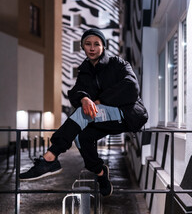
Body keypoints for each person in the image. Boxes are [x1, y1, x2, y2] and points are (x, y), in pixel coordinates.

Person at [19, 28, 148, 197]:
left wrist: (100, 101)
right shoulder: (85, 71)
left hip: (129, 114)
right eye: (88, 44)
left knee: (83, 114)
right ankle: (101, 174)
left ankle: (50, 157)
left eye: (97, 44)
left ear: (103, 46)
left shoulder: (118, 64)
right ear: (83, 46)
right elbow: (76, 91)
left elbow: (132, 88)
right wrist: (84, 99)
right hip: (105, 117)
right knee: (82, 137)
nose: (92, 48)